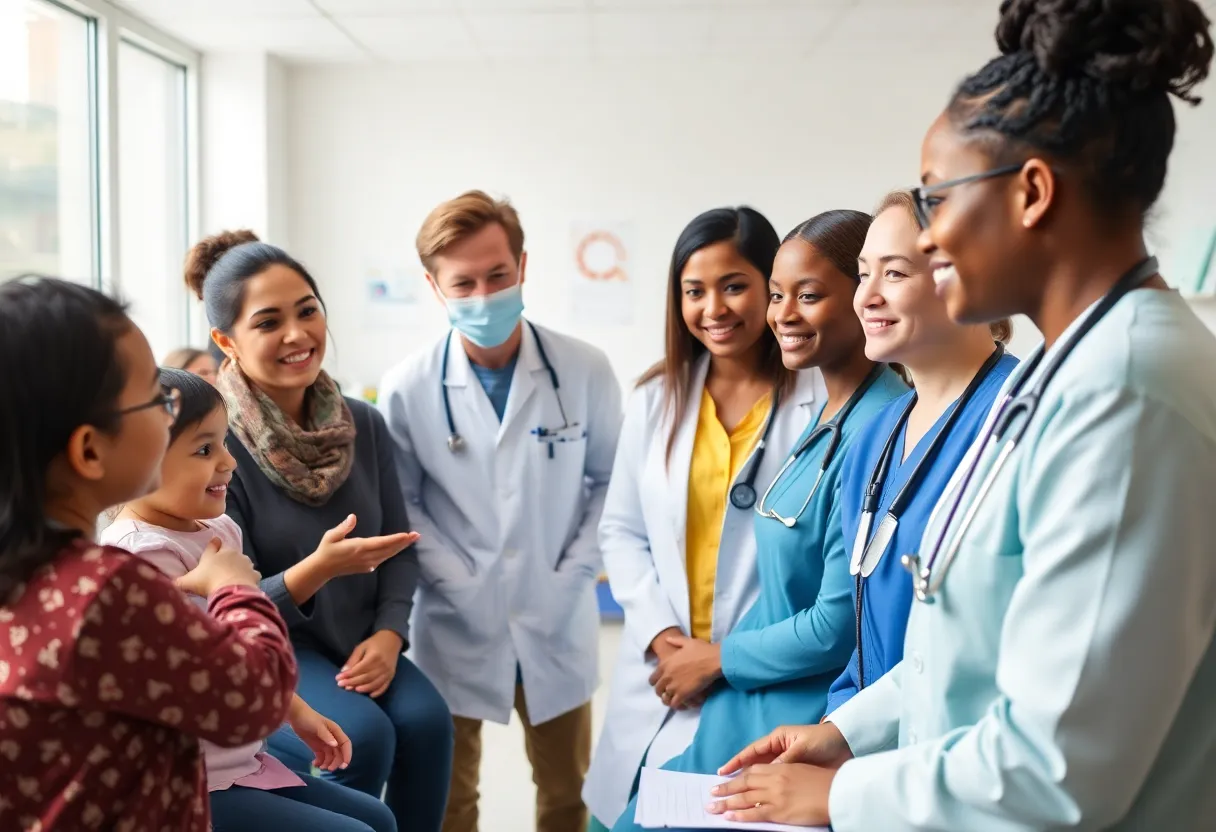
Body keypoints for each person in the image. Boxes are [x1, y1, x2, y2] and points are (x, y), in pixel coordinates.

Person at [710, 1, 1216, 828]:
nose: (932, 238)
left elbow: (1056, 769)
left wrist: (842, 796)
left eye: (940, 199)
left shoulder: (1126, 396)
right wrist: (843, 732)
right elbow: (967, 643)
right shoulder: (1070, 372)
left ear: (1033, 193)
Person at [610, 211, 908, 832]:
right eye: (779, 294)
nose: (783, 314)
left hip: (788, 710)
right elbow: (622, 530)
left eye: (808, 295)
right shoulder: (832, 412)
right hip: (740, 696)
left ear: (862, 296)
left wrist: (717, 658)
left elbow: (837, 622)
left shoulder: (878, 427)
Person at [0, 276, 298, 831]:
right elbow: (254, 697)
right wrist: (238, 589)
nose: (169, 415)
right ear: (90, 449)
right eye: (157, 400)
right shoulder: (107, 588)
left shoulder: (27, 574)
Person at [185, 230, 455, 830]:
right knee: (361, 735)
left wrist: (390, 635)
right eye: (269, 322)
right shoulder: (216, 445)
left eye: (307, 311)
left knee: (429, 722)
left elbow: (401, 549)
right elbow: (230, 597)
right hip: (275, 644)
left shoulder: (363, 421)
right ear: (226, 341)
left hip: (362, 636)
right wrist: (320, 568)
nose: (297, 334)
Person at [378, 190, 622, 832]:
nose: (484, 295)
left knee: (568, 792)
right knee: (449, 800)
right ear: (435, 287)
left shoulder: (583, 369)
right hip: (454, 621)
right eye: (464, 282)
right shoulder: (408, 385)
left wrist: (572, 573)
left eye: (498, 275)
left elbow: (609, 483)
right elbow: (403, 503)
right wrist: (454, 577)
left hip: (558, 612)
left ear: (522, 265)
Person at [585, 207, 832, 830]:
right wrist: (665, 640)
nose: (714, 308)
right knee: (630, 810)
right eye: (694, 291)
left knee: (721, 811)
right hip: (663, 670)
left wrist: (720, 656)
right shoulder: (655, 399)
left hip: (760, 683)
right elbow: (620, 530)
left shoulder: (823, 402)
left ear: (771, 289)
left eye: (734, 285)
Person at [100, 368, 397, 832]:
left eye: (223, 443)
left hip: (237, 763)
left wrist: (297, 713)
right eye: (204, 450)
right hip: (181, 783)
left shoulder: (219, 530)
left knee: (378, 816)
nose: (229, 462)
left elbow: (250, 645)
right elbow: (202, 679)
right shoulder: (137, 557)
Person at [823, 192, 1018, 715]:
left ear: (967, 279)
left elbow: (991, 636)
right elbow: (865, 642)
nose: (865, 297)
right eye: (864, 274)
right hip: (863, 744)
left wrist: (848, 737)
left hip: (952, 748)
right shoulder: (873, 439)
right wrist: (833, 729)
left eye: (895, 274)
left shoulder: (1017, 419)